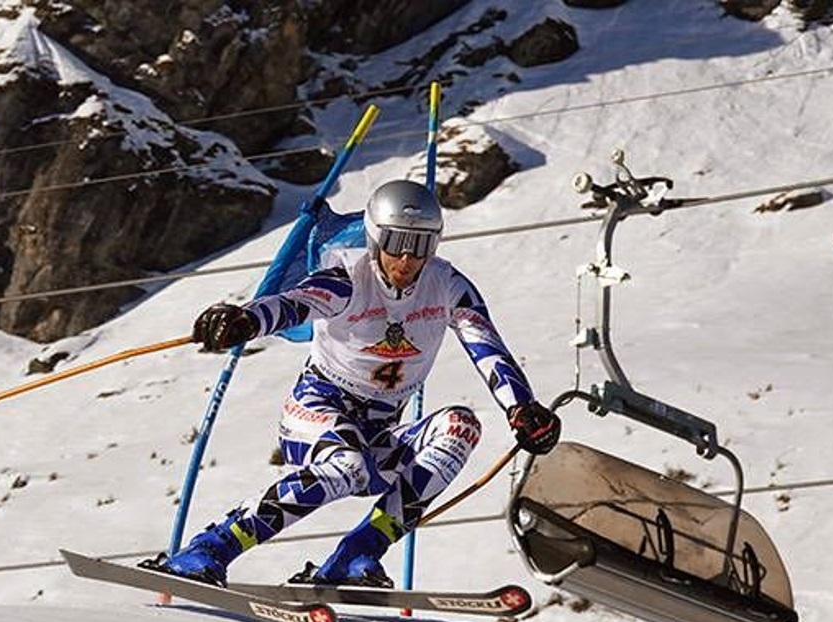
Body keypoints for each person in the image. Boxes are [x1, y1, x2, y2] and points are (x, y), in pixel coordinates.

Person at [151, 179, 560, 588]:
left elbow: (486, 346)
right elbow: (295, 304)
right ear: (375, 237)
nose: (405, 257)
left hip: (376, 435)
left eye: (419, 244)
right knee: (346, 466)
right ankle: (209, 548)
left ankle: (355, 556)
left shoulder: (448, 286)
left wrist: (521, 408)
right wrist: (245, 319)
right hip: (316, 413)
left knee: (460, 427)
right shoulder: (347, 278)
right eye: (396, 240)